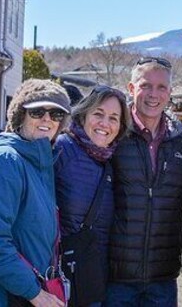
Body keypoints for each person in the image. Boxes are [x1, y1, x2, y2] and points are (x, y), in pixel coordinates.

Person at [0, 79, 71, 307]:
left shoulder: (37, 162)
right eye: (37, 111)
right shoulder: (5, 160)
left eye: (56, 114)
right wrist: (36, 294)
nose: (47, 119)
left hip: (18, 294)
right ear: (20, 115)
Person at [106, 57, 182, 306]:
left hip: (162, 278)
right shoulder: (114, 134)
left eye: (161, 87)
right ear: (131, 89)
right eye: (146, 85)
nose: (153, 94)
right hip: (116, 277)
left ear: (170, 93)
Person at [54, 85, 127, 306]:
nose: (105, 123)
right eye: (98, 114)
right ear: (84, 114)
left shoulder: (109, 159)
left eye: (114, 118)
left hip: (92, 280)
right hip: (59, 279)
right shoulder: (61, 149)